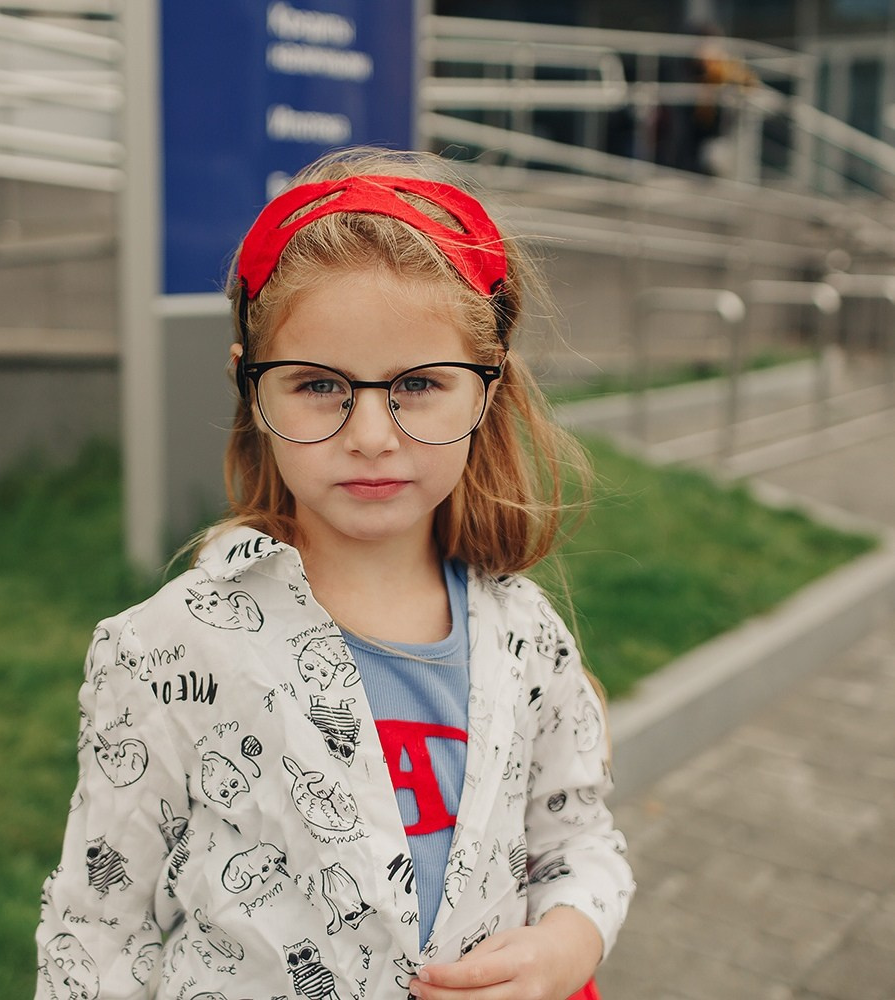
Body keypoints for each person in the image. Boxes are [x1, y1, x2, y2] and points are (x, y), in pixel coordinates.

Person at [34, 147, 634, 1000]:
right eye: (319, 384)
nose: (371, 435)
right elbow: (96, 931)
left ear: (487, 390)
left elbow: (579, 844)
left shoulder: (527, 638)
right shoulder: (171, 650)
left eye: (419, 383)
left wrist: (566, 947)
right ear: (252, 385)